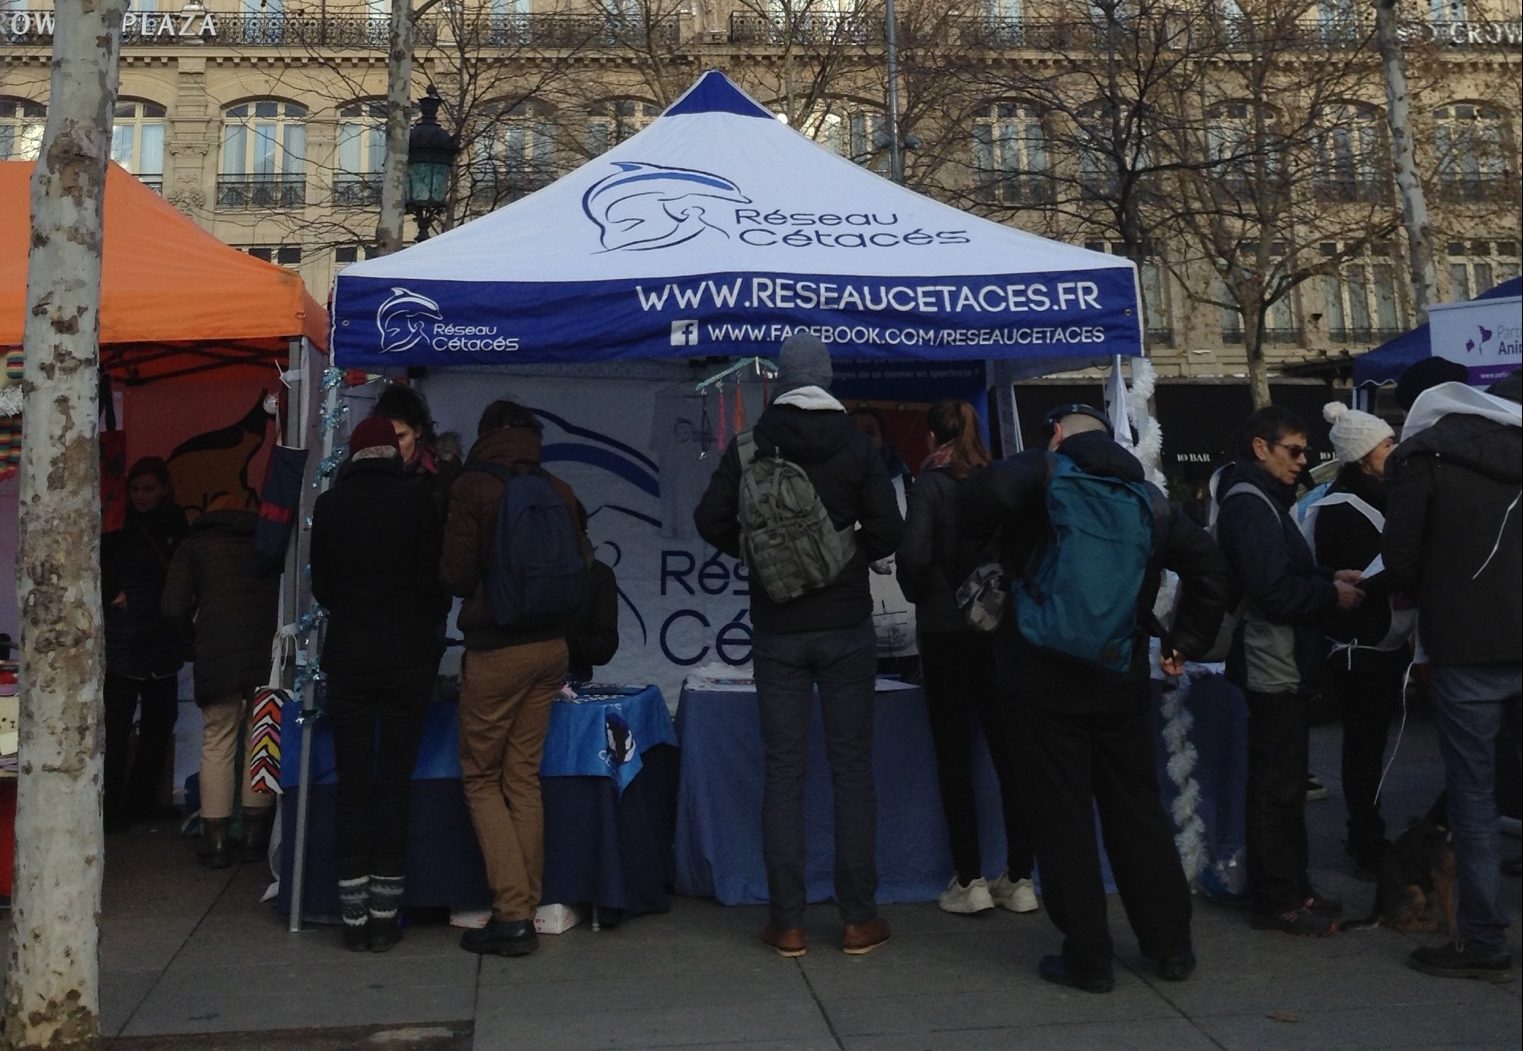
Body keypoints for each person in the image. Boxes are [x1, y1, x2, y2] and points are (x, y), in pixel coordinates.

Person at [960, 403, 1230, 993]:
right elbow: (1211, 569)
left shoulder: (1043, 477)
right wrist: (1185, 641)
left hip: (1038, 677)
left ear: (1056, 435)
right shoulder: (1151, 503)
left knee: (1063, 819)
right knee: (1137, 811)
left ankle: (1088, 956)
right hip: (1118, 676)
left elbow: (974, 504)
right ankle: (1171, 947)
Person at [694, 332, 903, 958]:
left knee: (783, 774)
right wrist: (846, 557)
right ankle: (858, 920)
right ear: (829, 378)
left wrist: (761, 559)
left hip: (778, 630)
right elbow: (890, 529)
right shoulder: (858, 447)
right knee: (851, 771)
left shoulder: (751, 444)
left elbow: (710, 520)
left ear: (781, 380)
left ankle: (786, 923)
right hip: (845, 630)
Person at [1383, 368, 1520, 982]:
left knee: (1474, 798)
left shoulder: (1424, 453)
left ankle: (1484, 939)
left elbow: (1402, 556)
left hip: (1467, 642)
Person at [1214, 406, 1364, 936]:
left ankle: (1290, 886)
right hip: (1272, 662)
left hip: (1282, 660)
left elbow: (1281, 573)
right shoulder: (1250, 504)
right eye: (1293, 450)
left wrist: (1328, 575)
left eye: (1306, 451)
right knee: (1277, 786)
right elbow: (1271, 589)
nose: (1303, 461)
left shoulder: (1260, 500)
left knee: (1284, 784)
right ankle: (1278, 896)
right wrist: (1331, 593)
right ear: (1261, 447)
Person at [442, 399, 580, 958]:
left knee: (481, 777)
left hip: (497, 649)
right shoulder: (559, 488)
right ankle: (528, 902)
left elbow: (453, 575)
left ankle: (513, 913)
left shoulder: (472, 487)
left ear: (485, 435)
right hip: (551, 648)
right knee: (522, 776)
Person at [895, 399, 1037, 916]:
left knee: (954, 756)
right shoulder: (1002, 482)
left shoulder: (930, 485)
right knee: (1010, 754)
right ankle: (1020, 876)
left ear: (933, 439)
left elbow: (911, 555)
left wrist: (925, 590)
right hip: (999, 631)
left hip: (944, 630)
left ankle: (970, 877)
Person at [310, 417, 445, 952]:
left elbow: (321, 586)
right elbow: (434, 585)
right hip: (408, 659)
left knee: (352, 783)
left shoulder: (330, 506)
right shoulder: (418, 501)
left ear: (353, 453)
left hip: (349, 658)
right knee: (393, 784)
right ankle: (387, 916)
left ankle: (353, 916)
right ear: (394, 454)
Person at [1304, 403, 1408, 878]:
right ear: (1364, 455)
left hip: (1382, 641)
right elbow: (1357, 578)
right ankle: (1366, 840)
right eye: (1387, 445)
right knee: (1363, 748)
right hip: (1360, 648)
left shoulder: (1381, 497)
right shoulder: (1340, 508)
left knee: (1370, 746)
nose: (1395, 451)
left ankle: (1368, 834)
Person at [161, 494, 279, 868]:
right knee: (261, 739)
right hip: (266, 650)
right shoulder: (269, 539)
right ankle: (253, 837)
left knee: (218, 740)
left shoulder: (195, 544)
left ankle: (215, 843)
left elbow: (171, 607)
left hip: (216, 649)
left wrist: (191, 644)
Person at [101, 456, 189, 832]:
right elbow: (101, 567)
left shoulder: (175, 522)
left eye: (147, 489)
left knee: (159, 721)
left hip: (158, 633)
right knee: (117, 726)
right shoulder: (115, 522)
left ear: (164, 489)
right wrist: (115, 596)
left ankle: (140, 801)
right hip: (129, 633)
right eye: (135, 489)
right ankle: (112, 805)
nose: (140, 495)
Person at [566, 502, 619, 684]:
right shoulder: (515, 569)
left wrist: (559, 645)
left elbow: (605, 645)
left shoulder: (598, 575)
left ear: (582, 533)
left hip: (571, 681)